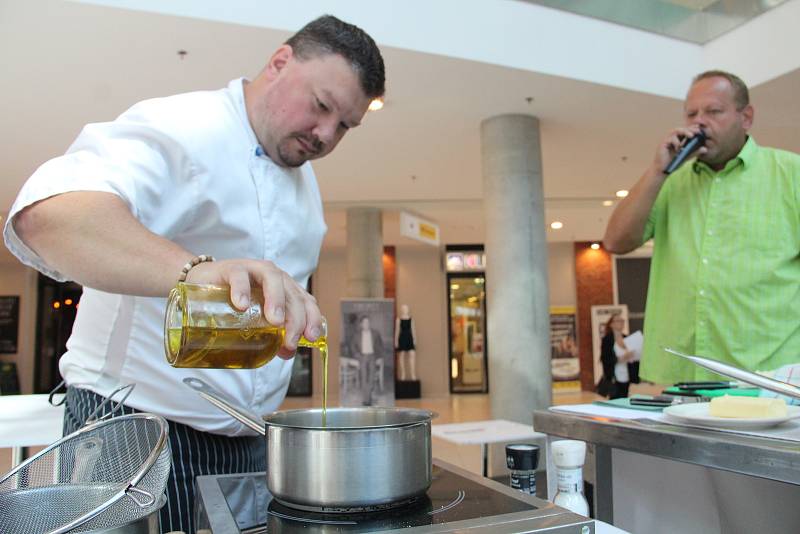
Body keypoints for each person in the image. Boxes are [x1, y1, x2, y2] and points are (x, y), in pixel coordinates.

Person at [3, 15, 384, 533]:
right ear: (279, 63)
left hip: (251, 442)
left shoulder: (304, 184)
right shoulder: (183, 126)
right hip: (135, 434)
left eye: (345, 125)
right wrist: (196, 271)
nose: (325, 134)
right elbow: (51, 217)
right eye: (321, 106)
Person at [604, 70, 800, 385]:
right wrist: (658, 170)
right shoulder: (670, 182)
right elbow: (616, 240)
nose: (700, 122)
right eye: (692, 113)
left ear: (745, 117)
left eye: (714, 111)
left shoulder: (791, 174)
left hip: (767, 378)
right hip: (682, 378)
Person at [348, 315, 385, 404]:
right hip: (362, 357)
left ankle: (367, 397)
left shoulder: (375, 333)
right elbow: (352, 346)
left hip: (373, 356)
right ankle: (367, 400)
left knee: (371, 377)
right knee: (364, 377)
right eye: (364, 322)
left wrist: (380, 357)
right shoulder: (356, 335)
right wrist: (357, 355)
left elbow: (380, 346)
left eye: (368, 322)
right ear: (361, 324)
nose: (366, 324)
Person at [599, 314, 633, 399]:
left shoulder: (627, 338)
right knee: (615, 400)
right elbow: (604, 358)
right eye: (618, 321)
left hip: (626, 376)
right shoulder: (607, 339)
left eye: (622, 321)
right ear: (611, 324)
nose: (621, 323)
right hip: (614, 377)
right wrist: (619, 359)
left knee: (625, 399)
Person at [395, 303, 417, 381]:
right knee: (402, 355)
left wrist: (414, 339)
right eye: (403, 309)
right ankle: (403, 374)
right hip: (402, 338)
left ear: (408, 310)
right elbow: (397, 331)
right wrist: (396, 341)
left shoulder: (411, 319)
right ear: (402, 310)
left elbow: (413, 330)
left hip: (409, 337)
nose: (405, 310)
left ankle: (412, 374)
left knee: (412, 354)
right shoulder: (398, 319)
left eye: (406, 308)